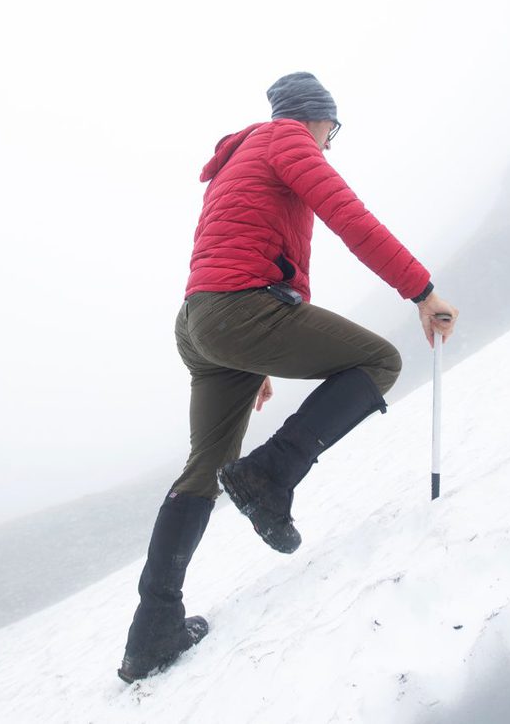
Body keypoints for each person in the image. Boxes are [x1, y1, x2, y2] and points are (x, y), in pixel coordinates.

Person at [117, 72, 458, 682]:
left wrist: (251, 355)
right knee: (380, 362)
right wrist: (421, 290)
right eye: (333, 127)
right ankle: (271, 476)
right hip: (241, 311)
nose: (332, 141)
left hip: (200, 320)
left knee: (202, 470)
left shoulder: (236, 159)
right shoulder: (288, 139)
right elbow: (349, 217)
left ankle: (152, 632)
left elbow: (228, 249)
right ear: (316, 116)